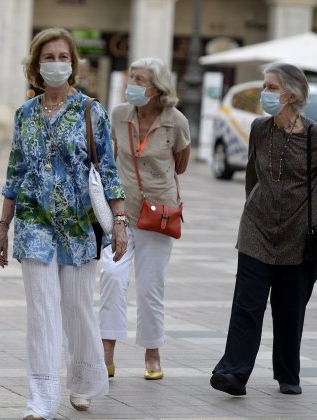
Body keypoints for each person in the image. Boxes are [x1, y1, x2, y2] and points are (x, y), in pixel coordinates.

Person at [0, 27, 127, 420]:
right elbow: (14, 173)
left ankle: (84, 381)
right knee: (42, 310)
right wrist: (3, 226)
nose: (56, 64)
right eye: (48, 57)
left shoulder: (91, 111)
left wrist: (119, 221)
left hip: (79, 227)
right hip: (34, 224)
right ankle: (41, 400)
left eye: (62, 57)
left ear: (73, 64)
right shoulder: (25, 115)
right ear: (36, 65)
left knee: (76, 308)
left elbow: (108, 170)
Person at [210, 63, 317, 397]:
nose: (265, 94)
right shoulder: (259, 128)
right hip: (257, 231)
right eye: (265, 86)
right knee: (247, 305)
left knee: (289, 309)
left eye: (271, 88)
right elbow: (251, 178)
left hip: (298, 236)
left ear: (292, 95)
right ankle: (233, 372)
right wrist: (253, 212)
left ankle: (288, 373)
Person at [98, 57, 190, 381]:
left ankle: (152, 351)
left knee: (150, 288)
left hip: (158, 214)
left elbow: (181, 165)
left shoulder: (175, 121)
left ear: (158, 88)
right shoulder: (119, 114)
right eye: (131, 78)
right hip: (121, 212)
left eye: (140, 80)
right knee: (111, 275)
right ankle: (106, 350)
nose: (132, 85)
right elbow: (110, 157)